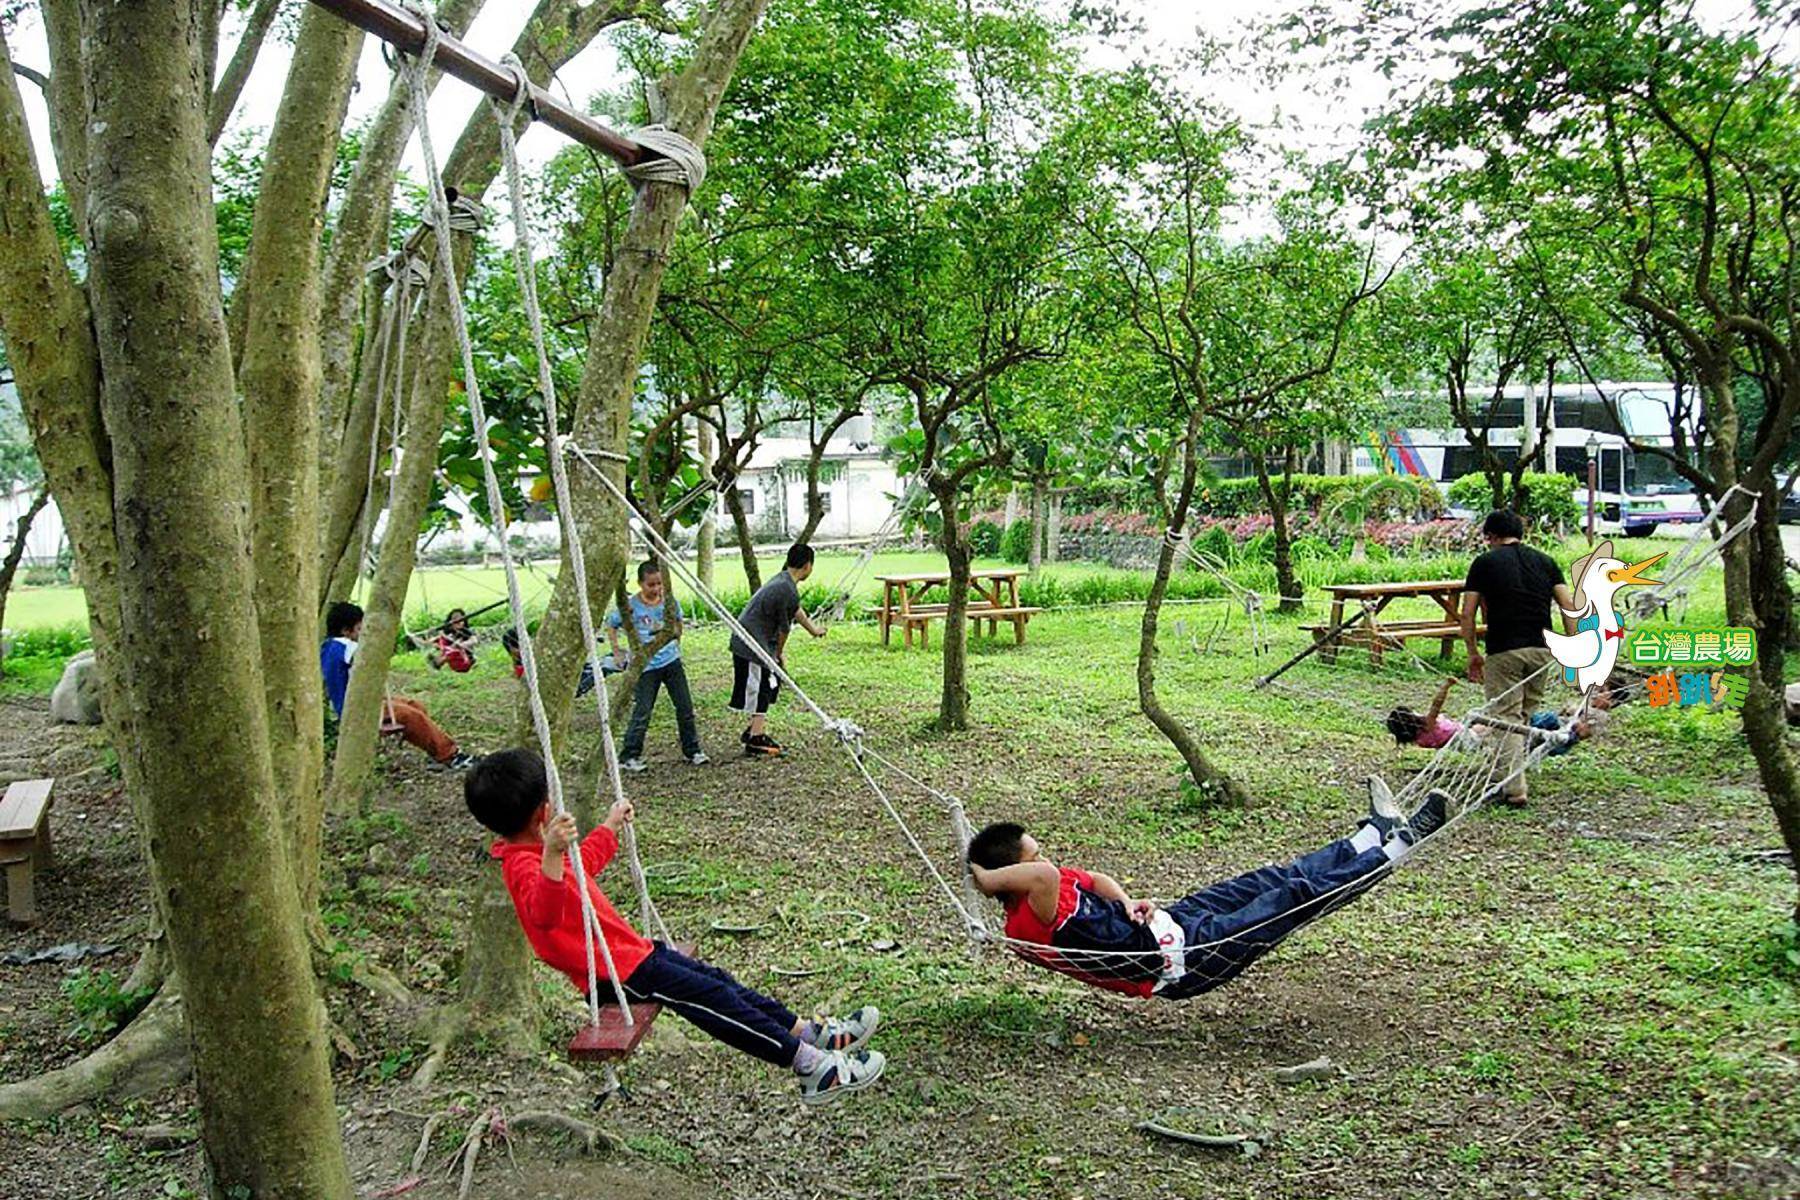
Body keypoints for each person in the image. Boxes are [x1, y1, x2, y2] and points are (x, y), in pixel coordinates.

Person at [466, 749, 886, 1105]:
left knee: (720, 981)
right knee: (715, 1001)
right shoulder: (524, 865)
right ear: (543, 810)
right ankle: (811, 1068)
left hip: (635, 954)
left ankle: (810, 1033)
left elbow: (585, 863)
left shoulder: (543, 852)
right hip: (617, 977)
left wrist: (609, 827)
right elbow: (544, 913)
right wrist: (553, 855)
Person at [965, 787, 1451, 998]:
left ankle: (1367, 838)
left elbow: (1092, 881)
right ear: (1012, 878)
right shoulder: (1028, 922)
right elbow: (1047, 876)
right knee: (1291, 899)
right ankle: (1398, 848)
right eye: (1032, 857)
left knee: (1269, 879)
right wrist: (984, 878)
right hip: (1187, 963)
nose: (1044, 859)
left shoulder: (1047, 884)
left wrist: (1127, 900)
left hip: (1173, 922)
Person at [1459, 511, 1577, 808]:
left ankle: (1514, 789)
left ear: (1490, 537)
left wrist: (1472, 652)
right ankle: (1506, 774)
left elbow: (1467, 612)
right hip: (1541, 649)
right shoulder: (1546, 561)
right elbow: (1568, 605)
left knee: (1506, 719)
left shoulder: (1484, 563)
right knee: (1522, 716)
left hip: (1504, 650)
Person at [322, 601, 478, 771]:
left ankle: (435, 752)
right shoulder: (345, 646)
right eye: (360, 629)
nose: (363, 633)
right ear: (346, 631)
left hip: (359, 702)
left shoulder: (327, 647)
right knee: (410, 716)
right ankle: (451, 755)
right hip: (358, 709)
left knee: (415, 705)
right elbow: (370, 655)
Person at [608, 560, 706, 771]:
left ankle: (693, 750)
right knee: (642, 710)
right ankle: (629, 756)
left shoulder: (669, 602)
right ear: (640, 584)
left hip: (671, 661)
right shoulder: (630, 606)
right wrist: (617, 650)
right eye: (651, 585)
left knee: (685, 707)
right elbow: (612, 624)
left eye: (660, 584)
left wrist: (676, 637)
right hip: (646, 666)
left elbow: (678, 623)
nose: (656, 589)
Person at [729, 543, 826, 757]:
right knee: (761, 687)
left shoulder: (785, 582)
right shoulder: (786, 588)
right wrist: (778, 654)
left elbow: (795, 610)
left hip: (757, 641)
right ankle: (755, 739)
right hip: (750, 644)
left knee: (770, 685)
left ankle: (755, 728)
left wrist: (814, 630)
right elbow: (784, 629)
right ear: (808, 565)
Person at [1386, 676, 1463, 749]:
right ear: (1411, 719)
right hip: (1462, 737)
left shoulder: (1419, 740)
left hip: (1457, 737)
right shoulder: (1428, 725)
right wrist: (1446, 686)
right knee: (1473, 715)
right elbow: (1436, 705)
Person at [427, 608, 478, 673]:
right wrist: (432, 633)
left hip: (465, 661)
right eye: (454, 619)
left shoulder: (466, 631)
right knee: (442, 639)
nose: (458, 622)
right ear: (450, 622)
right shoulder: (448, 632)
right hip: (454, 662)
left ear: (464, 621)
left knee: (454, 647)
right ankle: (436, 656)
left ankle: (439, 661)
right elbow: (441, 639)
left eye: (460, 620)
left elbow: (474, 640)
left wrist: (463, 644)